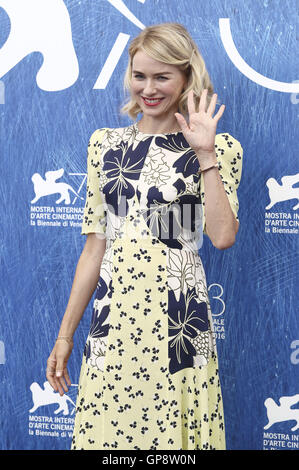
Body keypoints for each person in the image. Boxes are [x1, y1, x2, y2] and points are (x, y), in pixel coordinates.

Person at [46, 22, 243, 450]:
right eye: (140, 76)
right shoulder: (106, 146)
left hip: (178, 319)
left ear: (187, 77)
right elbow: (95, 247)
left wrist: (205, 154)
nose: (148, 88)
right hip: (113, 317)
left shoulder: (218, 147)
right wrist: (65, 335)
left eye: (162, 76)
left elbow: (223, 236)